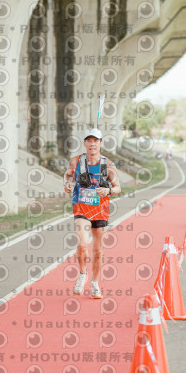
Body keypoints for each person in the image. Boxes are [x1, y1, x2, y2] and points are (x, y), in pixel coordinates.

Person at [63, 128, 121, 299]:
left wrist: (108, 190)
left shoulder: (108, 165)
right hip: (81, 208)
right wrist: (66, 184)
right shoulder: (76, 161)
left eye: (96, 141)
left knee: (98, 251)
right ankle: (83, 274)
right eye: (89, 140)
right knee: (82, 243)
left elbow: (118, 187)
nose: (92, 144)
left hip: (101, 211)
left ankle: (95, 282)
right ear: (84, 143)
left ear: (101, 143)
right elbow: (67, 175)